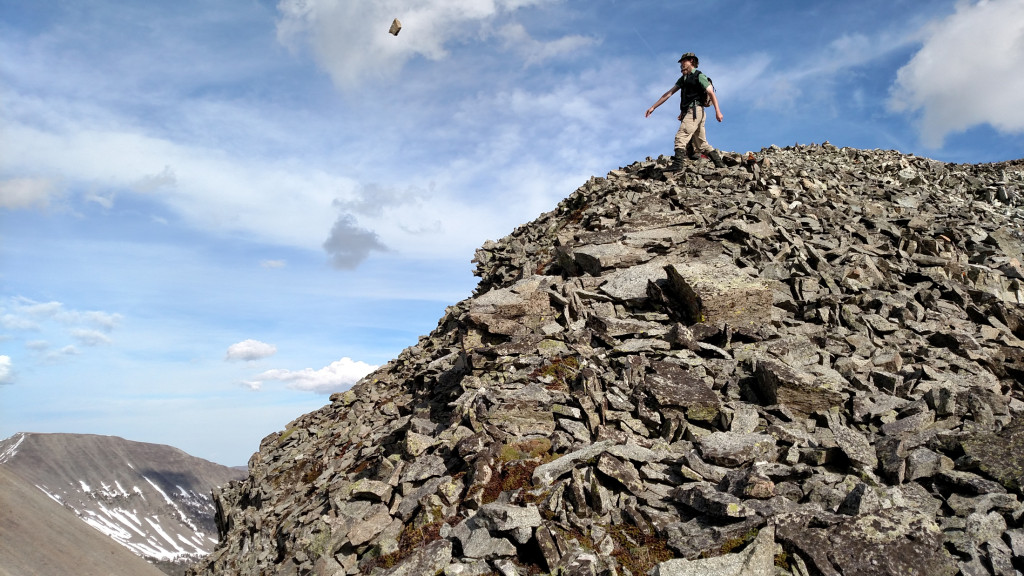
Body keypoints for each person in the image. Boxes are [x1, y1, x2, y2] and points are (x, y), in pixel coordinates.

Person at [645, 52, 726, 169]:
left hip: (695, 111)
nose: (682, 64)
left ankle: (678, 164)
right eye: (681, 62)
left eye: (684, 61)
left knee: (681, 137)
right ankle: (720, 165)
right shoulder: (684, 79)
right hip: (694, 112)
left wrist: (718, 111)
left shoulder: (699, 76)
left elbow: (711, 93)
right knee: (701, 144)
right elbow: (668, 94)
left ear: (692, 61)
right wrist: (653, 107)